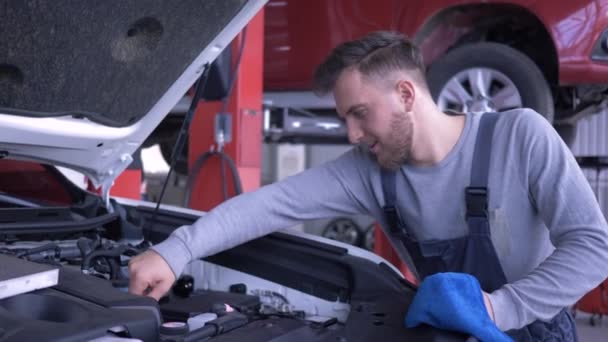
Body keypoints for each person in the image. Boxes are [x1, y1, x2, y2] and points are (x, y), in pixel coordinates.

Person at [129, 31, 608, 340]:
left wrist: (499, 309)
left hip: (534, 327)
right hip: (445, 332)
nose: (354, 135)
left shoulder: (519, 136)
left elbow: (592, 246)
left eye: (360, 114)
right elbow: (267, 206)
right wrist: (176, 250)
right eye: (345, 120)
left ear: (405, 94)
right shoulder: (368, 171)